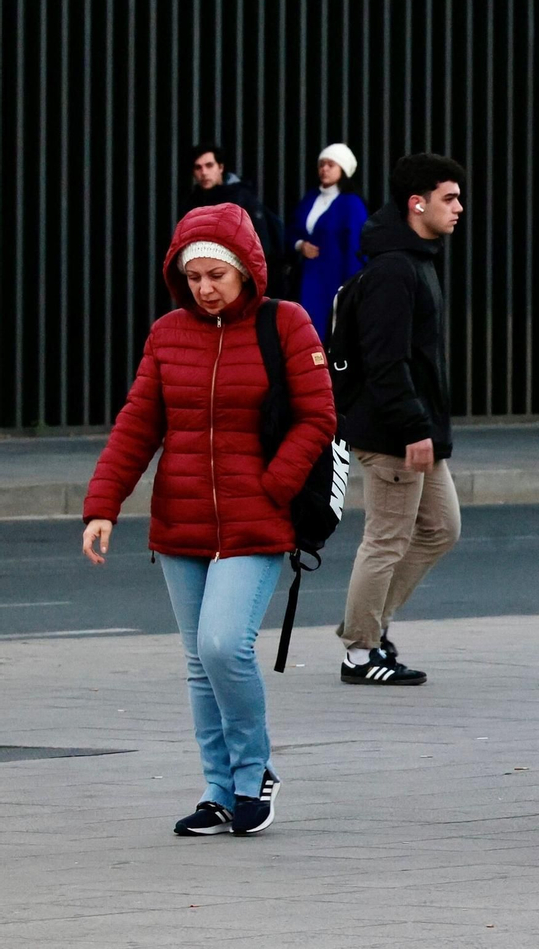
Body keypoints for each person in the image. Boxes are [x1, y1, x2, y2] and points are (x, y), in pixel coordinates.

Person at [80, 203, 336, 836]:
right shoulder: (169, 333)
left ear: (246, 270)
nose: (204, 288)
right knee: (199, 659)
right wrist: (102, 506)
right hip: (180, 524)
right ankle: (219, 791)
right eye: (192, 277)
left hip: (257, 521)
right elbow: (138, 424)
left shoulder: (287, 323)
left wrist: (272, 485)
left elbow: (319, 417)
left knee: (225, 646)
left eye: (215, 275)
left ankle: (255, 776)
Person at [334, 153, 467, 687]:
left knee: (441, 528)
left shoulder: (416, 259)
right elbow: (386, 362)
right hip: (395, 432)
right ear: (418, 204)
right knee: (387, 539)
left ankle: (369, 625)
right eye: (449, 198)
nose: (459, 208)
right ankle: (360, 652)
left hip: (416, 430)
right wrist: (414, 427)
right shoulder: (394, 269)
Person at [286, 143, 368, 339]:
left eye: (331, 165)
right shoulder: (311, 198)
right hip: (306, 278)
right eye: (321, 164)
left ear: (343, 169)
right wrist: (300, 245)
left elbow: (356, 247)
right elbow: (291, 230)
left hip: (334, 280)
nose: (324, 169)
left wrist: (350, 287)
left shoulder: (351, 204)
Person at [186, 144, 284, 264]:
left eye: (209, 165)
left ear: (220, 167)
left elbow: (261, 243)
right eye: (198, 168)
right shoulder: (192, 202)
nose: (204, 172)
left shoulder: (241, 197)